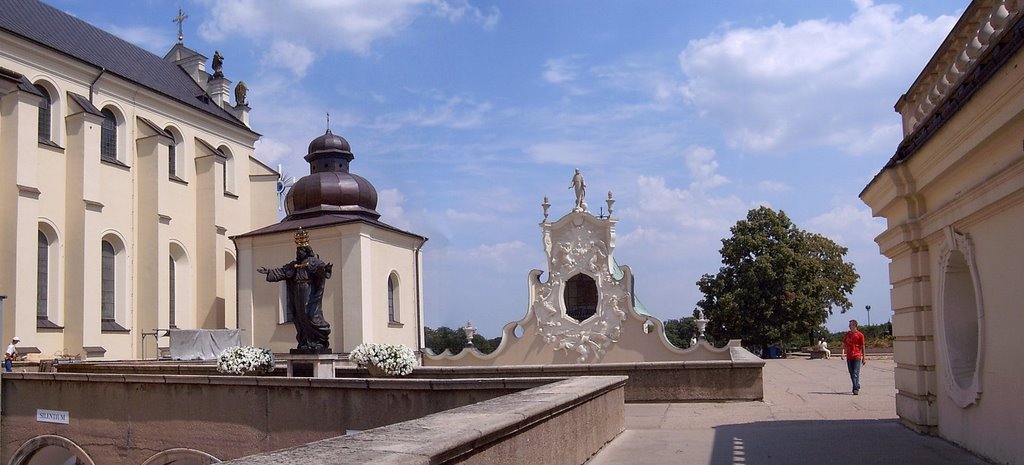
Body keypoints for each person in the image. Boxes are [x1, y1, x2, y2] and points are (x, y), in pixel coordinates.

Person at [258, 230, 333, 352]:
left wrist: (326, 269)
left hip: (309, 291)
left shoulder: (313, 262)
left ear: (307, 250)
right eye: (297, 251)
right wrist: (269, 272)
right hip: (297, 292)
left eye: (301, 250)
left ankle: (319, 340)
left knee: (310, 314)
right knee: (299, 315)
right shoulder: (294, 265)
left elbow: (321, 269)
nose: (298, 252)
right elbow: (283, 272)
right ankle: (305, 341)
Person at [841, 319, 867, 394]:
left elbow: (863, 346)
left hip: (857, 356)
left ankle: (855, 389)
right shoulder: (847, 334)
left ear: (855, 325)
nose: (849, 326)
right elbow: (844, 344)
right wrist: (842, 353)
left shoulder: (860, 335)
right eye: (849, 325)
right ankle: (856, 384)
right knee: (851, 372)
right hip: (849, 356)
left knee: (855, 372)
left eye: (850, 325)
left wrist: (864, 357)